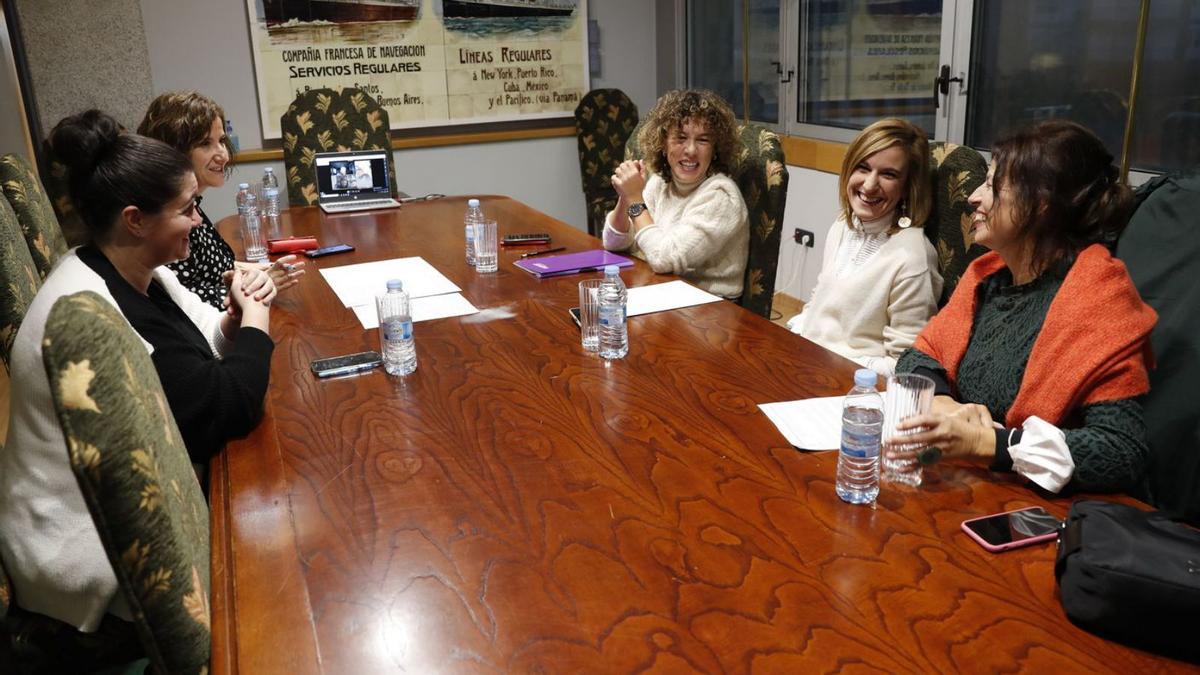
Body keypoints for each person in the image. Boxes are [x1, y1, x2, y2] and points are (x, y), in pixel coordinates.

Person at [0, 109, 276, 631]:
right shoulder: (96, 311)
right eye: (187, 208)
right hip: (86, 564)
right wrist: (260, 318)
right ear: (135, 219)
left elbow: (194, 356)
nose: (199, 219)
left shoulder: (121, 265)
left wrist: (234, 324)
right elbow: (226, 406)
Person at [890, 119, 1156, 494]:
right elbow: (916, 357)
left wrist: (988, 444)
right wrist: (946, 404)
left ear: (1040, 204)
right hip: (972, 487)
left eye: (992, 185)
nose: (973, 197)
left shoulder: (1098, 300)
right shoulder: (988, 277)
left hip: (1038, 510)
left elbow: (1121, 451)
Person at [786, 118, 941, 376]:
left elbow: (904, 367)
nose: (869, 185)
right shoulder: (842, 226)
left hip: (852, 389)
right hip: (806, 365)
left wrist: (829, 358)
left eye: (888, 174)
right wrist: (794, 335)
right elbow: (819, 303)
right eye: (863, 168)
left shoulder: (914, 258)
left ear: (907, 187)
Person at [137, 91, 304, 309]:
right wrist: (260, 286)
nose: (223, 155)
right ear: (174, 150)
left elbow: (219, 268)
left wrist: (263, 271)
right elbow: (187, 303)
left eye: (221, 141)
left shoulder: (193, 203)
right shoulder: (166, 220)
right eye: (206, 143)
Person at [603, 89, 749, 299]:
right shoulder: (660, 182)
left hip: (711, 309)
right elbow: (613, 243)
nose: (690, 150)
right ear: (663, 143)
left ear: (715, 149)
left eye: (703, 140)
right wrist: (625, 196)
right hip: (664, 292)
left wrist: (635, 200)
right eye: (680, 138)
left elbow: (663, 258)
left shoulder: (721, 196)